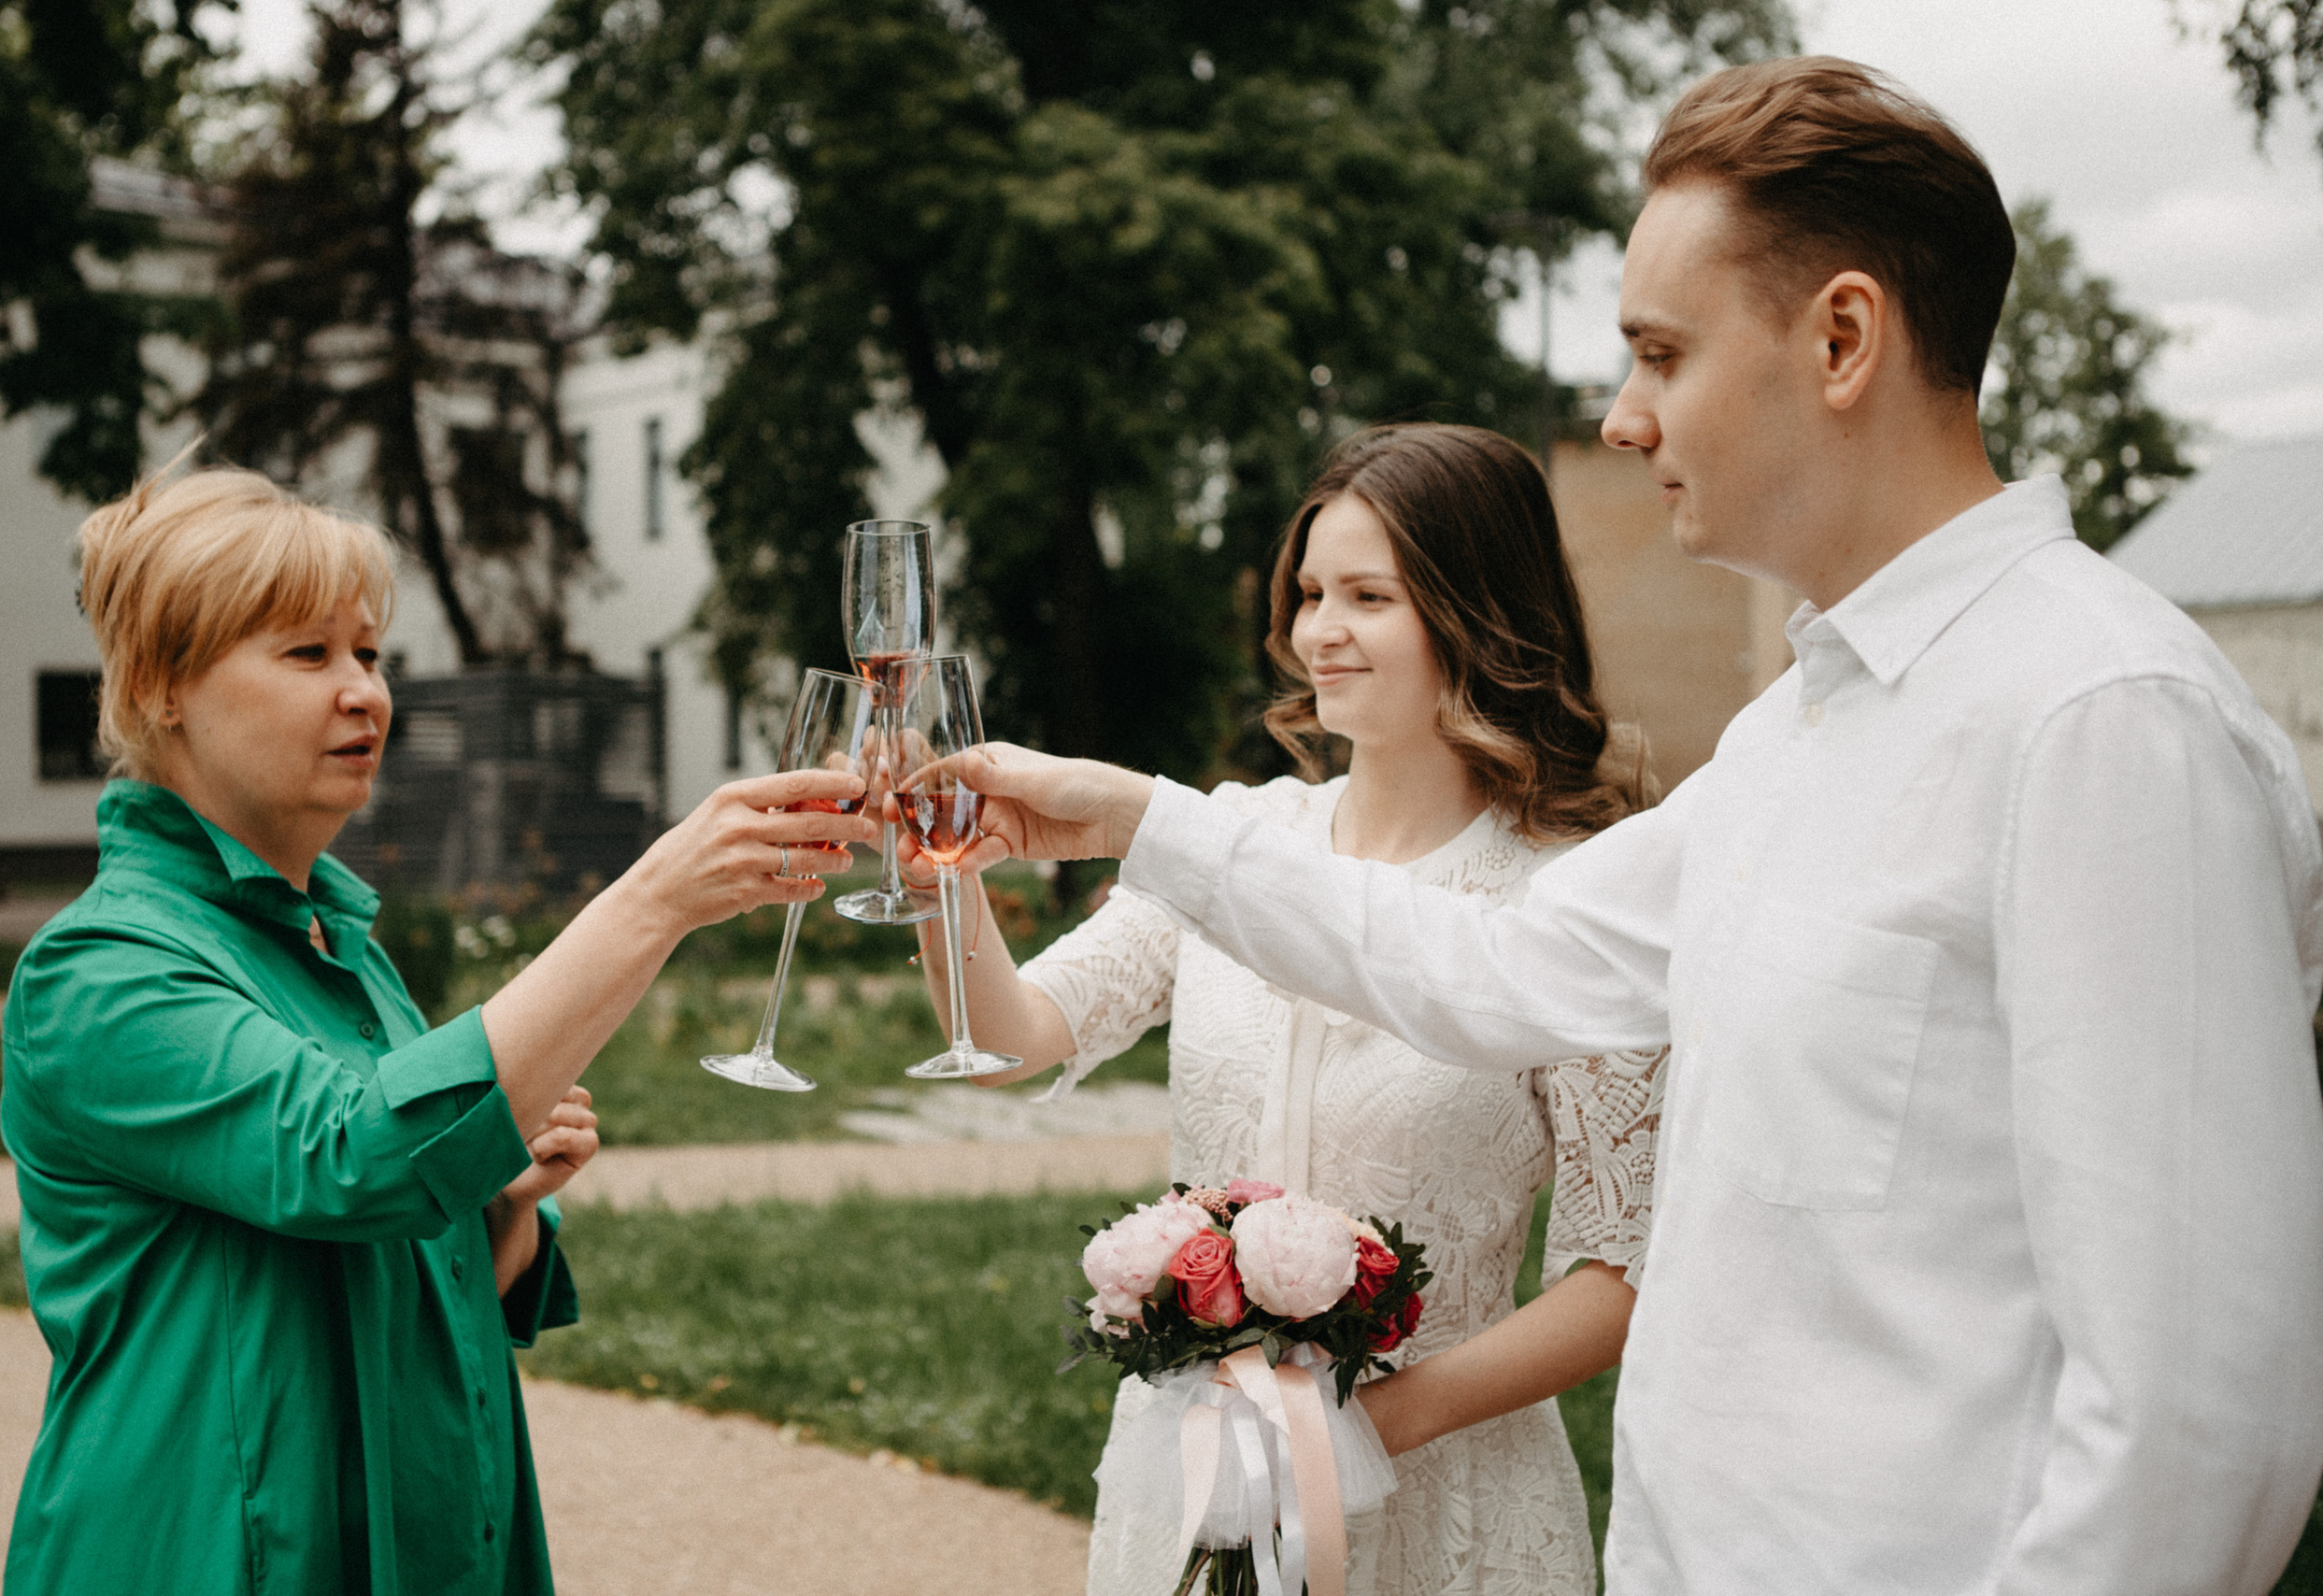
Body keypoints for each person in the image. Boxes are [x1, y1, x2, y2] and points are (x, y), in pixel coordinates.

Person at [935, 57, 2323, 1596]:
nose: (1620, 412)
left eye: (1661, 351)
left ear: (1843, 338)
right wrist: (1136, 819)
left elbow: (2202, 1419)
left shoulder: (2103, 717)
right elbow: (1492, 962)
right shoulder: (1794, 733)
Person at [0, 465, 874, 1595]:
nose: (364, 691)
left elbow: (402, 1224)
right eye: (308, 655)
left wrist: (498, 1209)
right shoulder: (101, 972)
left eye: (369, 653)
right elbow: (354, 1158)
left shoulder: (338, 948)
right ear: (164, 686)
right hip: (208, 1552)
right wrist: (653, 896)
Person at [903, 422, 1666, 1594]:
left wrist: (1352, 1435)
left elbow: (1615, 1278)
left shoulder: (1569, 901)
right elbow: (1014, 1037)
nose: (1320, 630)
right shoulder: (1234, 843)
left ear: (1477, 613)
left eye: (1369, 594)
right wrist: (938, 885)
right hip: (1198, 1473)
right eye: (1310, 591)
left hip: (1449, 1495)